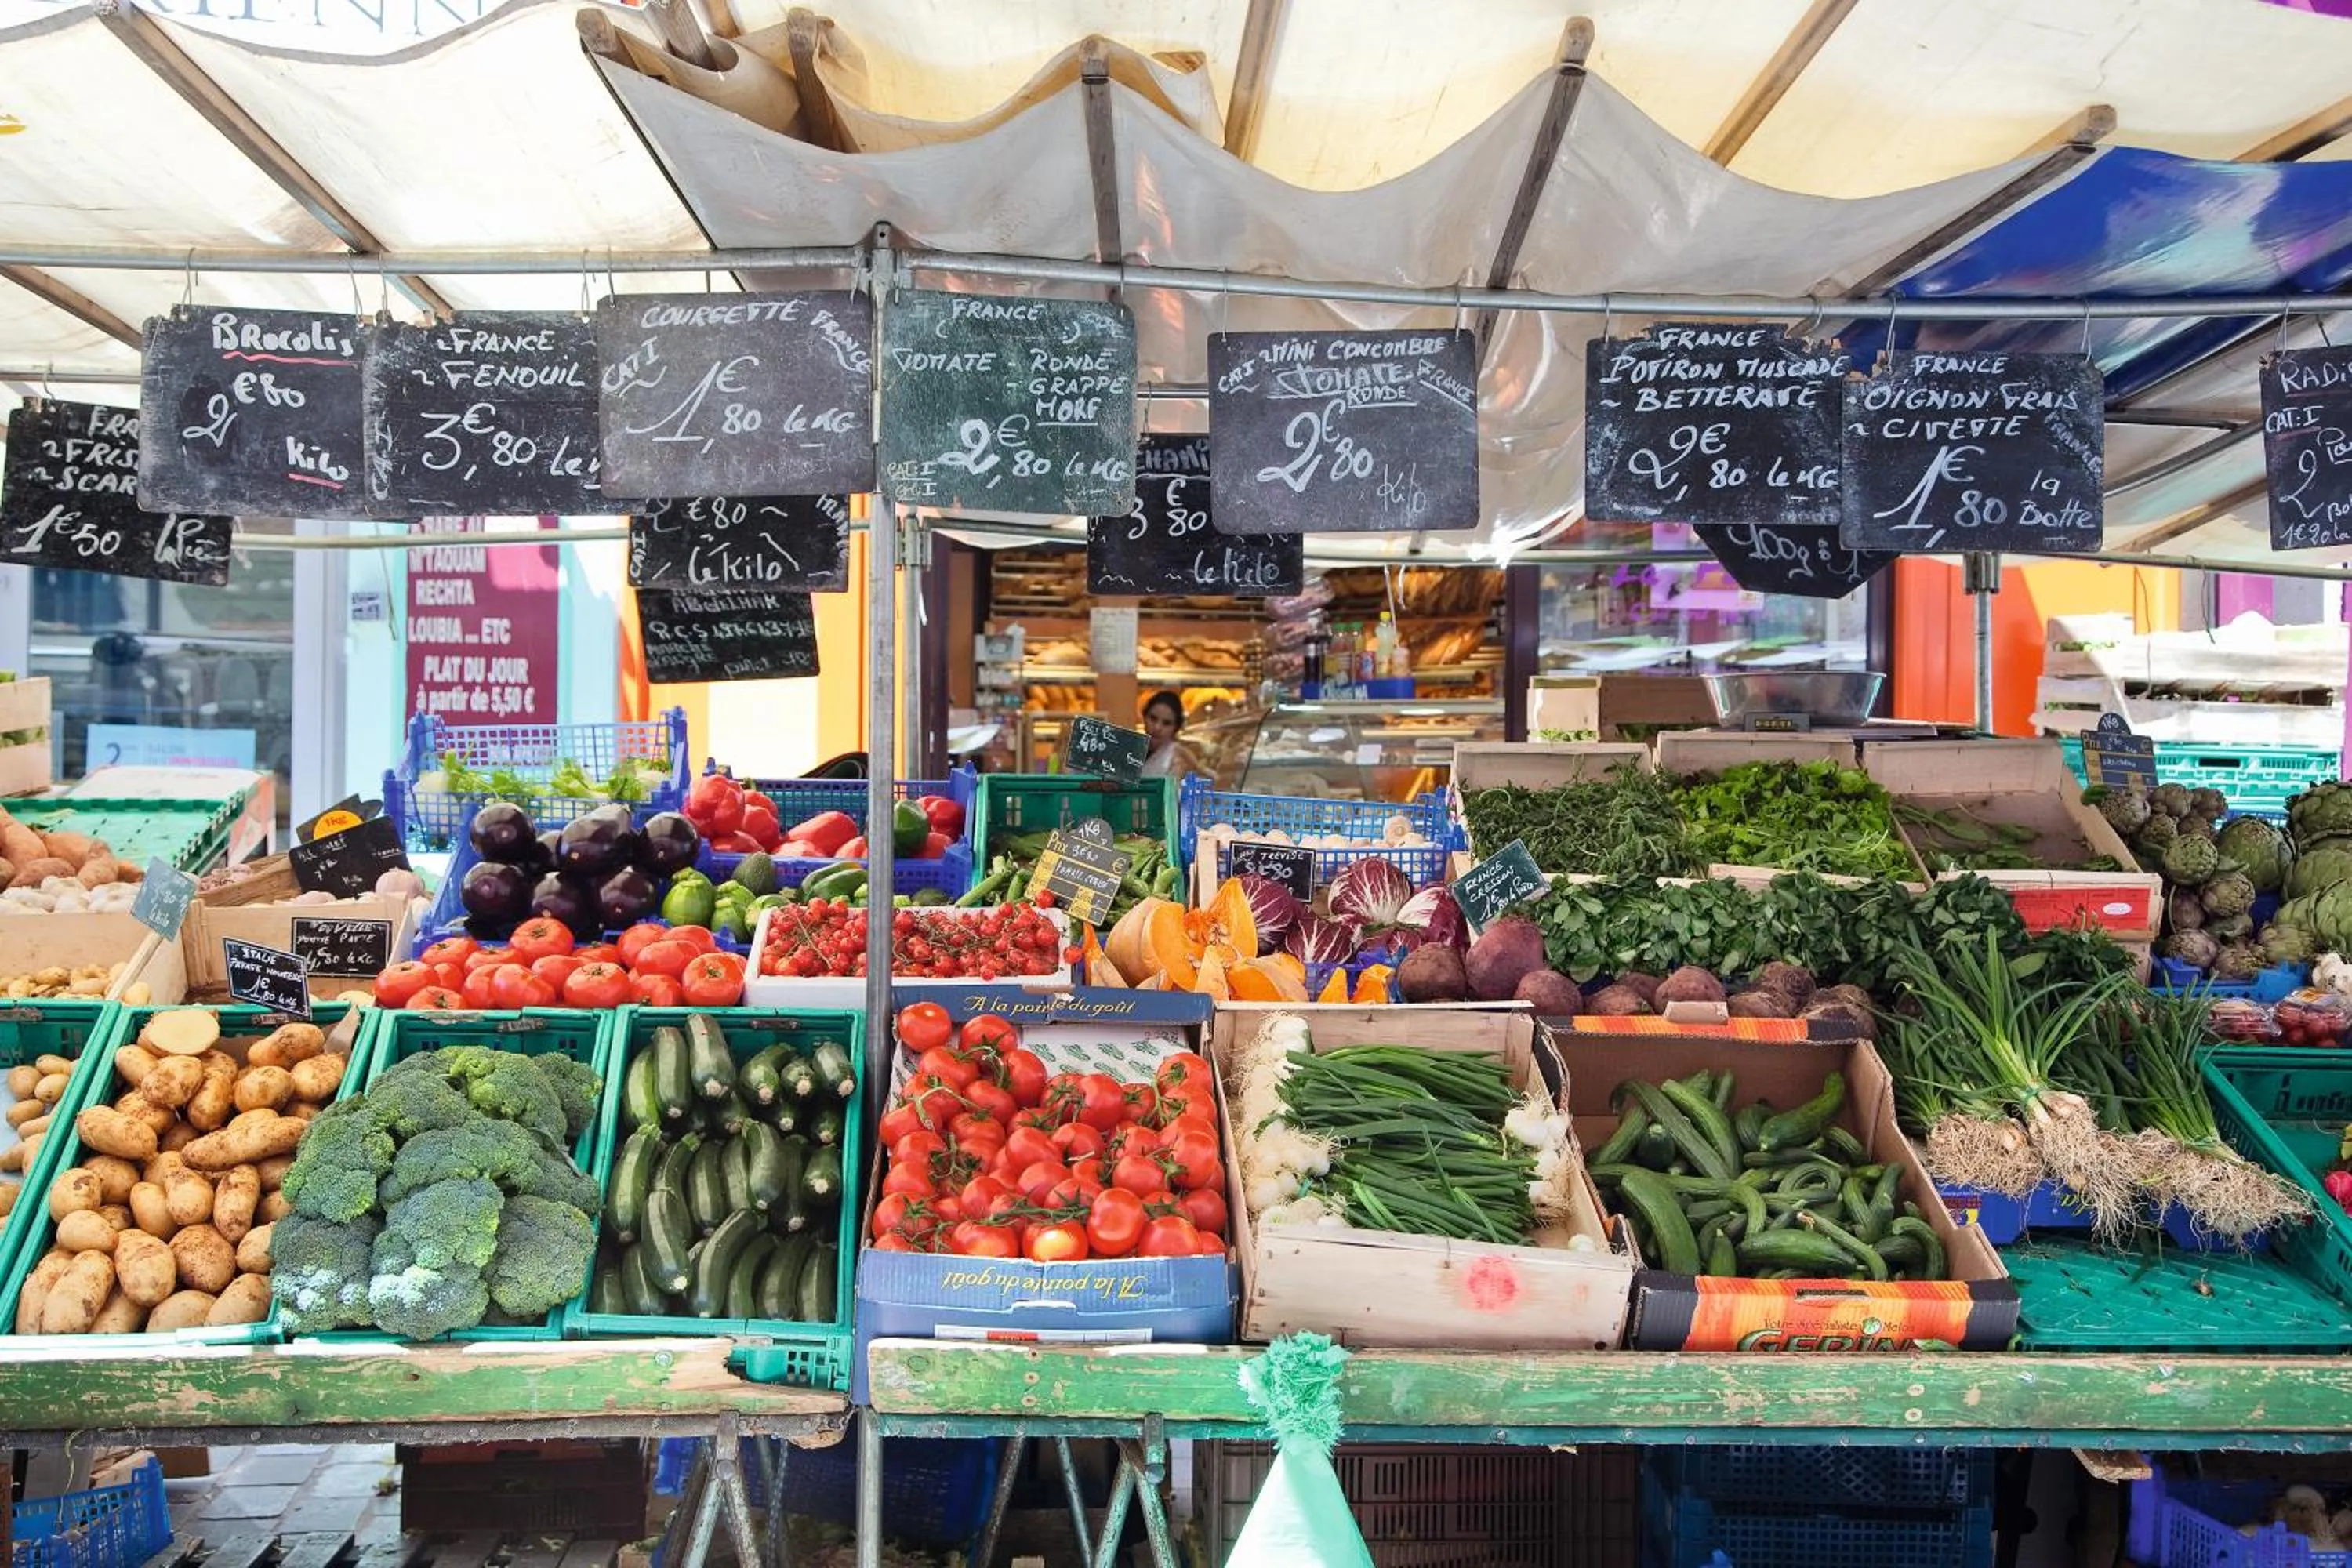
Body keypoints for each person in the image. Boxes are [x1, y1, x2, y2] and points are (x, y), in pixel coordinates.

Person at [1139, 689, 1200, 779]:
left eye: (1166, 723)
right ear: (1144, 717)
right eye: (1153, 719)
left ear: (1176, 728)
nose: (1157, 727)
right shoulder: (1134, 749)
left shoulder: (1180, 758)